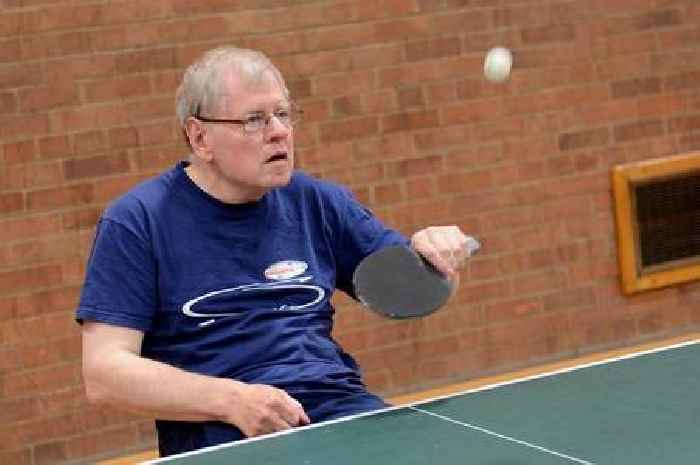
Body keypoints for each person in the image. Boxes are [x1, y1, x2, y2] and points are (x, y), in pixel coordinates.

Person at [77, 46, 474, 457]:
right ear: (200, 137)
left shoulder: (318, 202)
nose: (279, 131)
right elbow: (105, 375)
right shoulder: (137, 221)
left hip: (341, 410)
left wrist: (441, 257)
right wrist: (232, 400)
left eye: (283, 114)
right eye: (254, 120)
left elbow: (415, 289)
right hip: (225, 433)